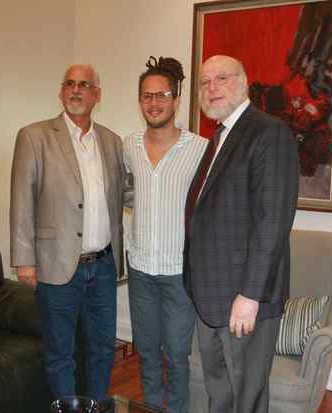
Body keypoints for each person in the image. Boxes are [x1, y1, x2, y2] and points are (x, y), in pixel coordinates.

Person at [183, 55, 299, 413]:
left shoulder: (268, 132)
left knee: (247, 398)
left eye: (222, 78)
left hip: (244, 298)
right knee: (219, 392)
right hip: (210, 295)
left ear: (244, 82)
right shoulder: (219, 136)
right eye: (205, 82)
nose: (212, 87)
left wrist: (249, 295)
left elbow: (273, 222)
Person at [10, 64, 124, 403]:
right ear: (62, 91)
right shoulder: (34, 136)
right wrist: (24, 261)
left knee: (103, 347)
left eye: (84, 85)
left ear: (97, 95)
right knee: (60, 351)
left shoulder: (112, 141)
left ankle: (97, 405)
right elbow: (21, 200)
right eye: (70, 84)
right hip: (56, 264)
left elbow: (125, 194)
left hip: (103, 265)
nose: (76, 90)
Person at [123, 56, 207, 413]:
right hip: (141, 268)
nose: (153, 103)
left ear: (176, 98)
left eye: (161, 95)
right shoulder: (128, 146)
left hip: (179, 272)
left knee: (176, 353)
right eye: (146, 96)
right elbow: (127, 192)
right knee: (145, 350)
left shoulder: (201, 149)